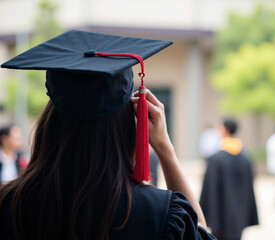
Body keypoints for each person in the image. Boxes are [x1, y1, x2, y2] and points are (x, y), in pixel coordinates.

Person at [0, 30, 216, 240]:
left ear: (51, 123)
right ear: (126, 125)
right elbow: (201, 233)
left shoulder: (9, 203)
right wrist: (164, 149)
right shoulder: (157, 213)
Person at [200, 119, 258, 240]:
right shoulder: (246, 157)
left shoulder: (216, 158)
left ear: (225, 131)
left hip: (220, 214)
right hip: (240, 213)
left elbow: (209, 189)